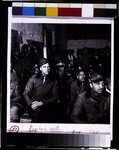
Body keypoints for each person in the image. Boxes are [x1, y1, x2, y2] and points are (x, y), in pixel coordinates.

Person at [23, 58, 58, 123]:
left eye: (48, 67)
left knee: (47, 115)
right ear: (40, 68)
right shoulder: (33, 78)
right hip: (33, 105)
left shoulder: (53, 80)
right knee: (37, 114)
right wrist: (31, 103)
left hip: (45, 105)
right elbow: (26, 93)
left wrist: (42, 103)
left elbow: (55, 97)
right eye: (44, 67)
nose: (47, 69)